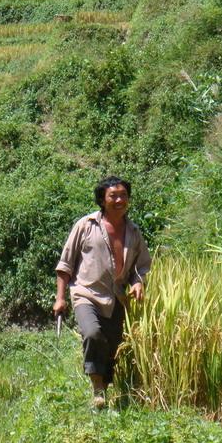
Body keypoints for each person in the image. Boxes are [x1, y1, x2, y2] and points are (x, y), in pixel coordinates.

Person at [54, 175, 152, 409]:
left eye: (123, 195)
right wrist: (60, 298)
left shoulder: (133, 232)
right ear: (102, 200)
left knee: (113, 346)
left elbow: (142, 265)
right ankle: (97, 390)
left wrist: (138, 282)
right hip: (86, 293)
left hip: (117, 297)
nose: (120, 200)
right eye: (113, 196)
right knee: (93, 333)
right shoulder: (86, 225)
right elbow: (65, 264)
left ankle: (107, 392)